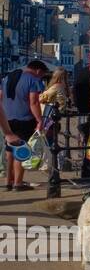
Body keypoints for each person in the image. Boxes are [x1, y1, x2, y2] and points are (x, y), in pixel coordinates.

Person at [4, 60, 49, 191]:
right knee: (21, 150)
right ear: (38, 71)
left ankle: (8, 181)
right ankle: (18, 183)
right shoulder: (33, 79)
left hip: (7, 118)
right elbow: (34, 102)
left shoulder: (9, 77)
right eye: (42, 75)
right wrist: (40, 120)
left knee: (9, 150)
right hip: (24, 119)